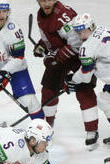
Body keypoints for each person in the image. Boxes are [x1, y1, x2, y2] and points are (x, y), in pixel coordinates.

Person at [33, 0, 99, 151]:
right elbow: (51, 38)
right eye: (42, 0)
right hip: (61, 55)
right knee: (49, 89)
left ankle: (91, 130)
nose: (46, 3)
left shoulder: (64, 16)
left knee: (84, 90)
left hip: (80, 55)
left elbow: (77, 43)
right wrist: (43, 45)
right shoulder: (40, 15)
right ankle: (47, 126)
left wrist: (57, 58)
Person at [65, 13, 110, 164]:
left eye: (82, 30)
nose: (80, 35)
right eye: (77, 31)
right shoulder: (103, 30)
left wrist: (73, 79)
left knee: (106, 102)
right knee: (105, 100)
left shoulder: (87, 47)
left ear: (90, 27)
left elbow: (85, 76)